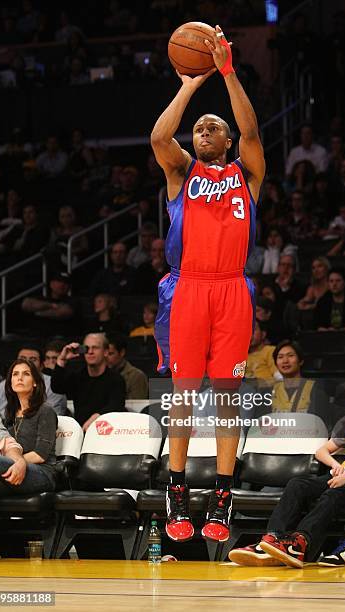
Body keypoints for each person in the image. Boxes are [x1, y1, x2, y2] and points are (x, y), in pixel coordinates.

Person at [151, 25, 265, 543]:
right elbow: (158, 137)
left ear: (225, 140)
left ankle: (222, 494)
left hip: (232, 289)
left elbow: (252, 130)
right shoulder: (181, 174)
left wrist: (226, 73)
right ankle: (176, 489)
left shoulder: (248, 173)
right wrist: (191, 86)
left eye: (212, 126)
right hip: (190, 289)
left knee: (225, 397)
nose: (204, 129)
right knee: (181, 395)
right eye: (198, 126)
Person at [229, 364, 345, 568]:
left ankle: (300, 542)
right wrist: (337, 465)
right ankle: (272, 539)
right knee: (297, 484)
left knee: (333, 493)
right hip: (343, 475)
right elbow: (321, 451)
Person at [0, 358, 58, 498]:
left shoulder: (45, 411)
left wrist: (17, 462)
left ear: (35, 382)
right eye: (15, 374)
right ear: (10, 382)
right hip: (13, 468)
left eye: (26, 374)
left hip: (42, 473)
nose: (19, 378)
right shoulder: (9, 413)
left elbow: (40, 455)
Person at [51, 333, 125, 431]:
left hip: (107, 432)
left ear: (106, 352)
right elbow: (57, 387)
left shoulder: (116, 379)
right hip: (81, 433)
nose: (90, 352)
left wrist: (97, 416)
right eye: (86, 348)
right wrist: (61, 360)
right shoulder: (78, 376)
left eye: (95, 348)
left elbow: (116, 404)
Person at [0, 345, 67, 418]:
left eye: (33, 359)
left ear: (41, 365)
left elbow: (55, 417)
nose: (26, 362)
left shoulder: (54, 385)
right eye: (22, 359)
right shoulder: (2, 386)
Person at [21, 271, 76, 337]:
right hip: (35, 336)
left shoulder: (73, 301)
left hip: (60, 338)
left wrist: (36, 311)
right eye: (58, 281)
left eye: (66, 282)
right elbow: (26, 304)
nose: (62, 285)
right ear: (51, 284)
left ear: (69, 286)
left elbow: (61, 313)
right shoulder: (40, 298)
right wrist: (51, 306)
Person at [106, 333, 148, 400]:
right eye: (104, 353)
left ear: (122, 352)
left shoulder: (136, 376)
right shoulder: (100, 375)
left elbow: (137, 406)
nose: (106, 357)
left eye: (110, 354)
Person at [245, 320, 277, 387]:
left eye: (253, 330)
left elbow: (279, 377)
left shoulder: (270, 350)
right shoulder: (241, 357)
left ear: (263, 334)